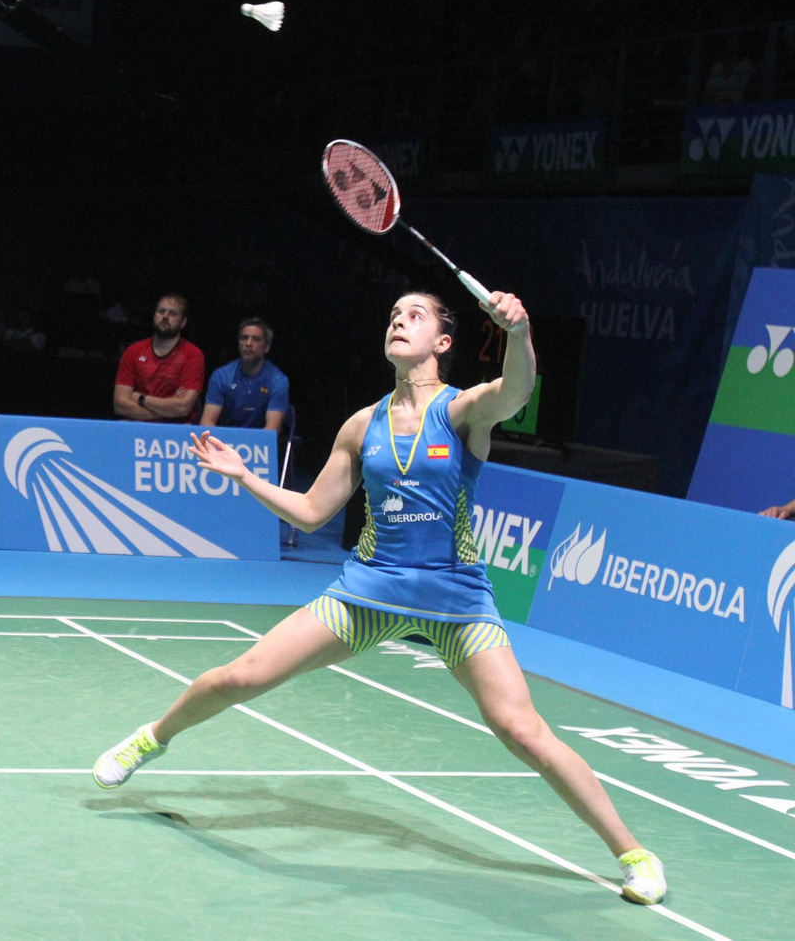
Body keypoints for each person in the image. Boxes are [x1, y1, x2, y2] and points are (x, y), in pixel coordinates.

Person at [92, 289, 668, 906]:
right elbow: (313, 514)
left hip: (457, 603)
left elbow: (518, 391)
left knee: (522, 730)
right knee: (241, 677)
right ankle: (153, 737)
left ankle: (634, 854)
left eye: (415, 315)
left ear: (443, 344)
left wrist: (520, 333)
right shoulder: (361, 426)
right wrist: (245, 477)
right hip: (368, 592)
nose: (399, 321)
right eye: (394, 314)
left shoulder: (463, 410)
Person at [113, 294, 205, 423]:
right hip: (136, 424)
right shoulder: (133, 351)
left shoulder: (193, 354)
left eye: (172, 313)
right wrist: (169, 408)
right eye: (161, 311)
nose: (165, 316)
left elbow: (183, 407)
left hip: (177, 427)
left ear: (183, 322)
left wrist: (140, 398)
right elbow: (120, 405)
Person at [200, 317, 289, 430]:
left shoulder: (278, 380)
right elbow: (207, 422)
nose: (248, 343)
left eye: (256, 339)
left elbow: (271, 431)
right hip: (225, 441)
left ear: (266, 347)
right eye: (244, 338)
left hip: (259, 443)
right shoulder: (221, 376)